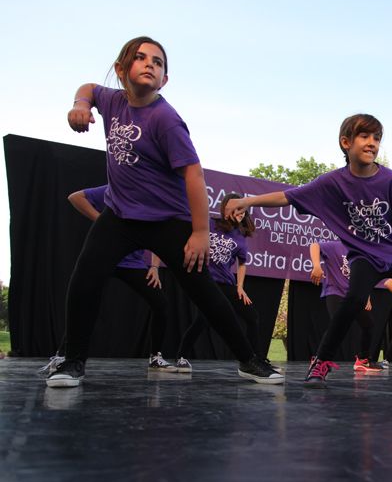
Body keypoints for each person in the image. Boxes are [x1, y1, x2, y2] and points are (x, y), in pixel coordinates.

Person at [48, 36, 282, 388]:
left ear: (164, 80)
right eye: (141, 58)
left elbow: (194, 175)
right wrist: (80, 104)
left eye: (157, 62)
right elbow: (90, 89)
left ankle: (249, 360)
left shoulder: (165, 119)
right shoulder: (112, 100)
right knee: (84, 281)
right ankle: (72, 362)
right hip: (119, 217)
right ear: (121, 69)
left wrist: (200, 232)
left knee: (204, 291)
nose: (150, 64)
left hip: (167, 222)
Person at [226, 114, 392, 385]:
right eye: (364, 136)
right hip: (364, 257)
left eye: (377, 138)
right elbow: (286, 196)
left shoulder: (390, 180)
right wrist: (248, 201)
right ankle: (321, 362)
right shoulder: (332, 182)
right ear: (346, 142)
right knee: (352, 302)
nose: (372, 143)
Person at [41, 184, 175, 374]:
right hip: (104, 256)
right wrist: (104, 224)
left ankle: (155, 358)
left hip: (132, 263)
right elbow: (75, 197)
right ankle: (63, 356)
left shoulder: (154, 198)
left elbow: (158, 233)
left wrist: (154, 266)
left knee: (160, 304)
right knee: (83, 304)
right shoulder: (120, 187)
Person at [174, 193, 282, 377]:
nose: (240, 213)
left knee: (252, 316)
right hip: (207, 282)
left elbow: (242, 263)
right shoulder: (210, 224)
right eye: (236, 209)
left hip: (227, 284)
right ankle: (181, 356)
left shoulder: (240, 236)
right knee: (202, 321)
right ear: (226, 209)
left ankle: (258, 359)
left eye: (243, 211)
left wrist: (240, 287)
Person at [310, 239, 380, 372]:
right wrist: (317, 266)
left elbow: (363, 276)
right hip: (335, 292)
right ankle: (318, 360)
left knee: (368, 324)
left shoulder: (360, 252)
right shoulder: (335, 245)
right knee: (336, 326)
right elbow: (315, 245)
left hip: (353, 295)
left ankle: (363, 360)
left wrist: (367, 296)